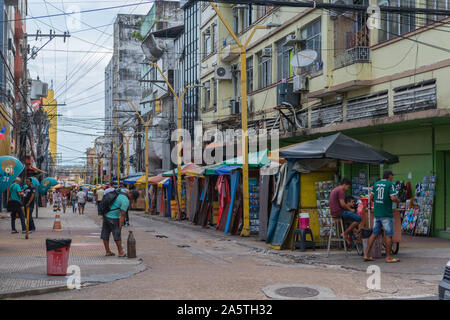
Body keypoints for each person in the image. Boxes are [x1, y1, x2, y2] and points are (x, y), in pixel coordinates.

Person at [364, 169, 401, 263]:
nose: (393, 177)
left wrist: (378, 203)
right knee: (388, 235)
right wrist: (398, 201)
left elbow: (370, 198)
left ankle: (366, 255)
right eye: (392, 175)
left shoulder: (376, 184)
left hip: (377, 213)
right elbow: (393, 197)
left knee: (374, 234)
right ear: (389, 176)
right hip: (386, 214)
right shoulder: (390, 184)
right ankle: (388, 257)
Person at [101, 189, 139, 257]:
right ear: (131, 195)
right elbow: (123, 215)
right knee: (117, 234)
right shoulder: (125, 201)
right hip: (114, 217)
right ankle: (120, 252)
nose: (131, 200)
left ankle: (107, 251)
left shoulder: (121, 190)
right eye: (132, 198)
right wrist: (120, 226)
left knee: (105, 233)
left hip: (106, 215)